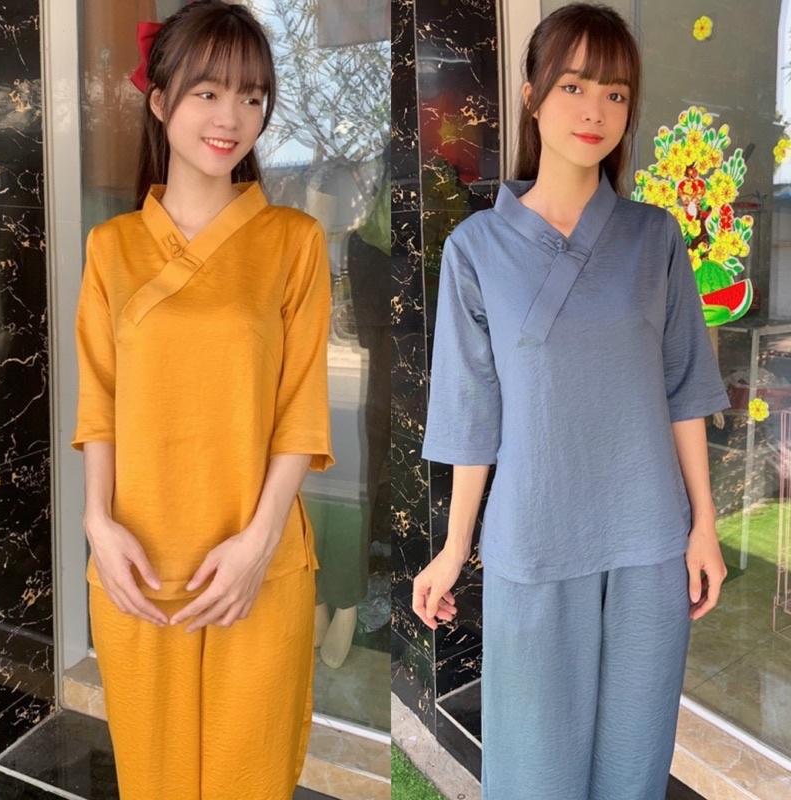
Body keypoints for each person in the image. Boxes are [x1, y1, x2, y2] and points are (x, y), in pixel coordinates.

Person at [411, 4, 729, 799]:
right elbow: (472, 415)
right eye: (575, 86)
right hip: (534, 541)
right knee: (535, 769)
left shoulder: (655, 238)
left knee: (633, 762)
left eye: (616, 94)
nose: (596, 110)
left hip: (648, 540)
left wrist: (704, 524)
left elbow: (683, 388)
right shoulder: (476, 250)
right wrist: (454, 547)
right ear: (532, 96)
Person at [71, 2, 334, 798]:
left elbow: (300, 412)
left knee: (247, 776)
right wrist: (97, 524)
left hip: (255, 561)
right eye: (209, 93)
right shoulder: (111, 249)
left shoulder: (293, 242)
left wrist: (258, 543)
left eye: (252, 97)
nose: (232, 118)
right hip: (138, 564)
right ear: (160, 101)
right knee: (152, 779)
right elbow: (99, 402)